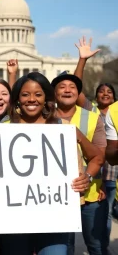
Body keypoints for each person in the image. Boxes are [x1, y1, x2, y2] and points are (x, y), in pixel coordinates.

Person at [0, 72, 90, 255]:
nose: (31, 99)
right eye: (25, 94)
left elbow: (96, 156)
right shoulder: (2, 132)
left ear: (46, 98)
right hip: (14, 221)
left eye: (38, 94)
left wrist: (85, 177)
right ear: (17, 99)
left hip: (54, 220)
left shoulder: (62, 128)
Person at [51, 71, 107, 255]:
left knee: (95, 245)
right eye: (62, 87)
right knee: (64, 246)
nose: (67, 90)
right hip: (57, 196)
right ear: (54, 93)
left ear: (78, 92)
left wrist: (88, 177)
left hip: (90, 194)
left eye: (72, 87)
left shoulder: (92, 117)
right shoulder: (43, 117)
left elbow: (100, 155)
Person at [74, 36, 118, 250]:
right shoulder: (89, 111)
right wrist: (82, 61)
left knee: (106, 216)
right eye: (101, 91)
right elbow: (76, 89)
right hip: (95, 176)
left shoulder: (116, 112)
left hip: (109, 175)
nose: (105, 94)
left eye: (109, 92)